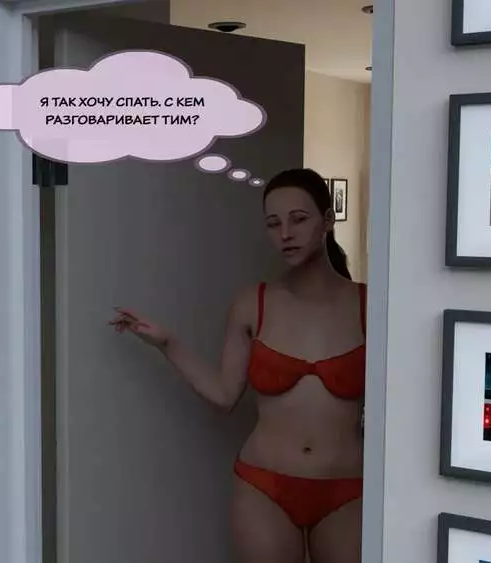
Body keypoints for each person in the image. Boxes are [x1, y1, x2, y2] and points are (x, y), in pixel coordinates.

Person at [109, 168, 365, 563]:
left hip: (348, 488)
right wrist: (167, 343)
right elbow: (224, 395)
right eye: (273, 224)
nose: (285, 234)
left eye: (299, 219)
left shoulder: (369, 305)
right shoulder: (253, 304)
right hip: (264, 487)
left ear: (328, 220)